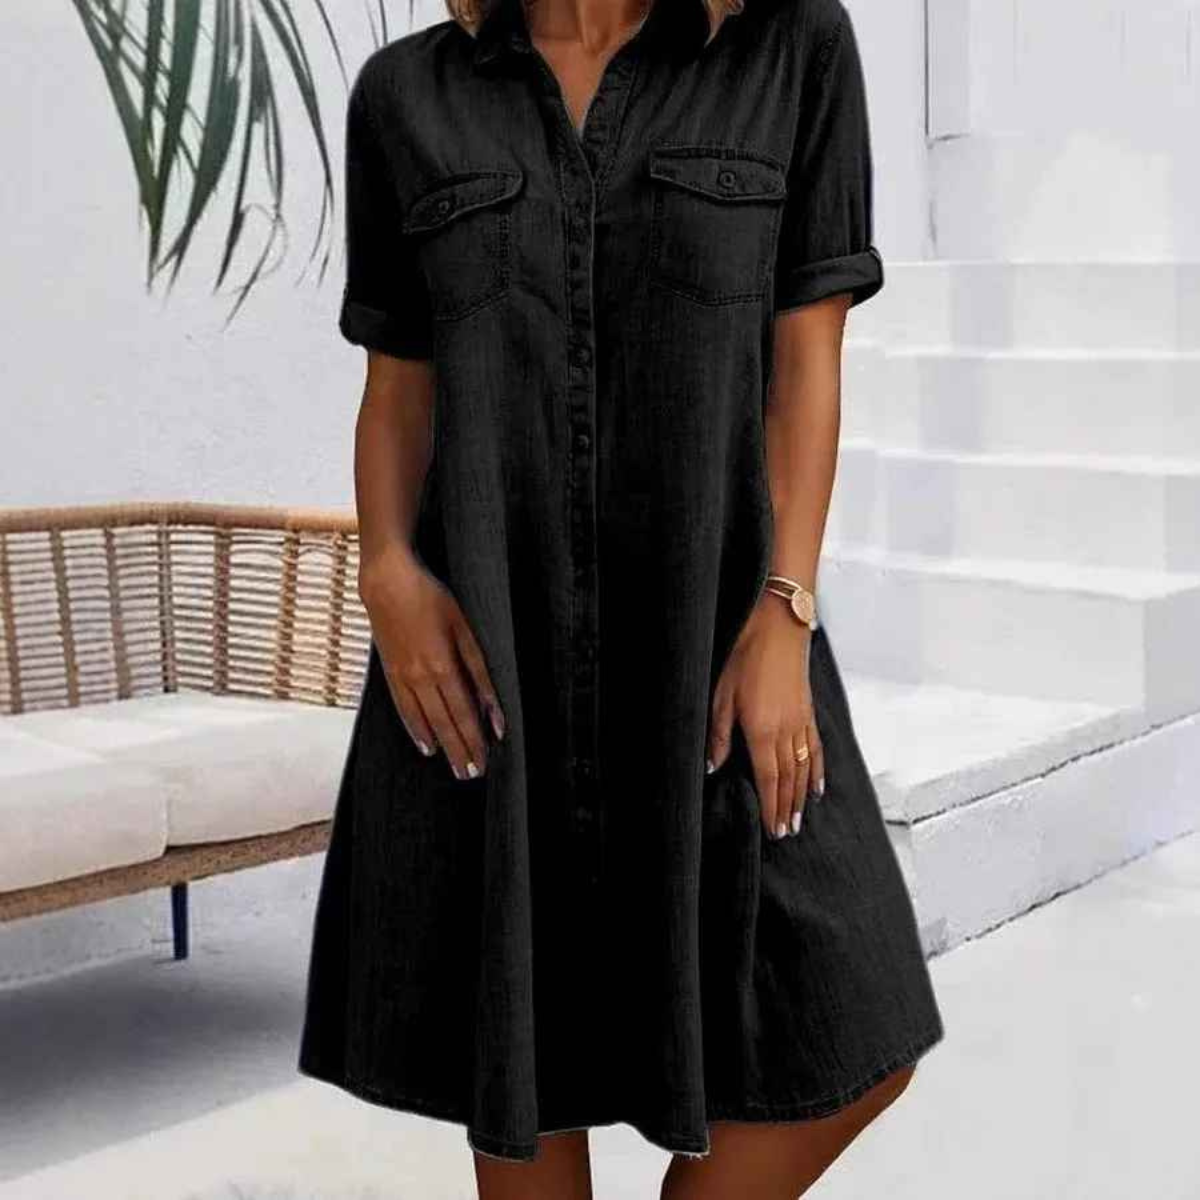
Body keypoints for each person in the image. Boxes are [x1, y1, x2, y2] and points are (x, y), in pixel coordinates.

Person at [298, 0, 946, 1193]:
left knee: (854, 1016)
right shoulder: (407, 95)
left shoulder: (790, 50)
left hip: (717, 629)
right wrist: (387, 569)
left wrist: (785, 610)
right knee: (522, 1056)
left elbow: (808, 364)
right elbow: (399, 387)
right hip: (494, 643)